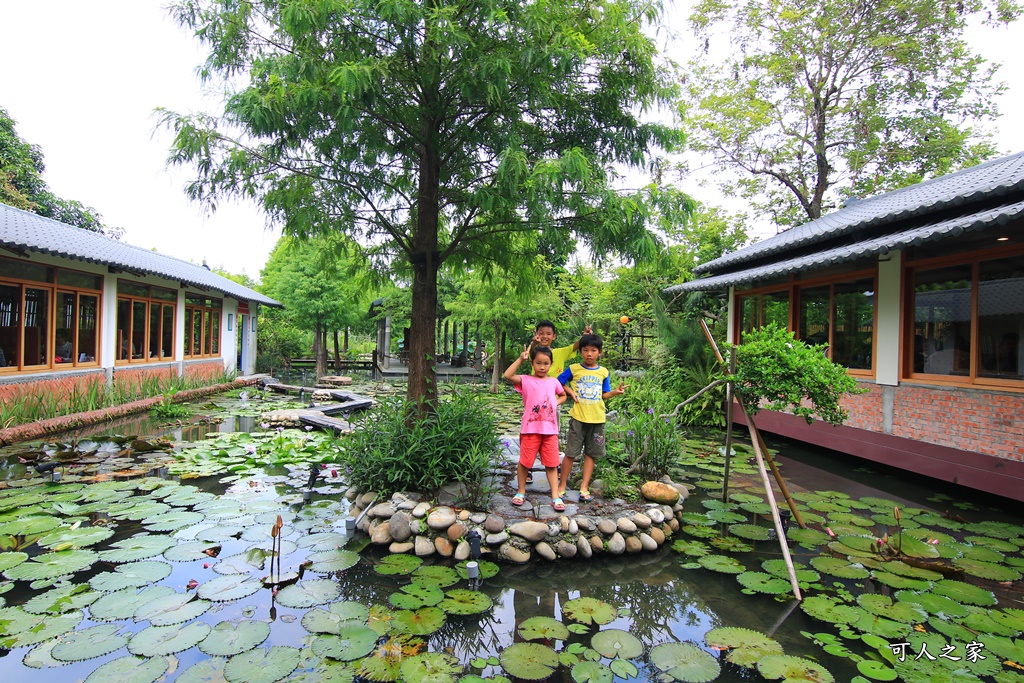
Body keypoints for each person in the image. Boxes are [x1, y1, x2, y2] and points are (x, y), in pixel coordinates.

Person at [556, 334, 626, 502]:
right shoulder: (574, 369)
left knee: (591, 454)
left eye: (593, 350)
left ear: (599, 352)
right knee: (571, 453)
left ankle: (584, 486)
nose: (589, 354)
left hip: (597, 420)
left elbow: (604, 394)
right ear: (580, 351)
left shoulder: (603, 372)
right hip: (578, 418)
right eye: (585, 350)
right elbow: (558, 382)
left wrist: (615, 392)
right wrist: (571, 392)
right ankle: (562, 485)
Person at [503, 344, 568, 512]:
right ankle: (521, 491)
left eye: (546, 363)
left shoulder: (554, 382)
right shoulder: (525, 380)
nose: (542, 367)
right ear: (532, 362)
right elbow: (508, 375)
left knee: (552, 464)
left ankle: (555, 495)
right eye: (538, 363)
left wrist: (555, 402)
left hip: (550, 431)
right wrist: (520, 358)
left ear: (551, 364)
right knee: (525, 462)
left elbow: (563, 395)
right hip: (530, 430)